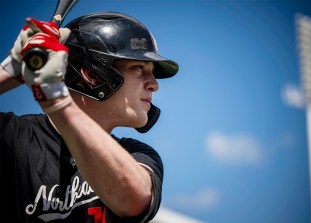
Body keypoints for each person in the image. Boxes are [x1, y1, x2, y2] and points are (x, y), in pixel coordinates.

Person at [0, 11, 179, 223]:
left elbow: (134, 200)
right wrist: (11, 69)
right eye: (139, 68)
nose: (154, 84)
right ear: (92, 74)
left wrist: (57, 100)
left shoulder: (137, 155)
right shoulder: (12, 137)